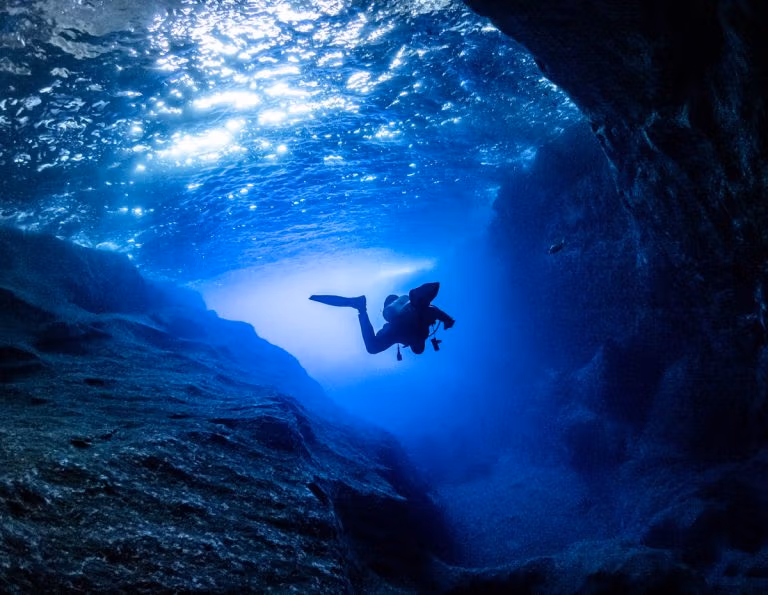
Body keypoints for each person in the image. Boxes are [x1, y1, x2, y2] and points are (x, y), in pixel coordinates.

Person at [309, 282, 455, 357]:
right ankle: (361, 308)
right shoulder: (414, 334)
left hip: (397, 325)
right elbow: (433, 312)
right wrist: (447, 320)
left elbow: (434, 311)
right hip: (397, 326)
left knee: (373, 347)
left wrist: (448, 320)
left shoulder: (424, 325)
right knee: (372, 348)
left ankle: (360, 307)